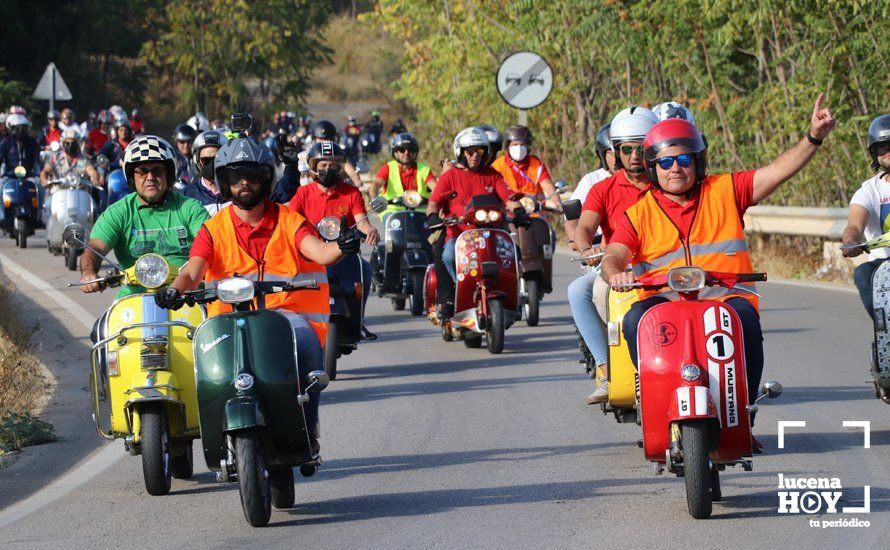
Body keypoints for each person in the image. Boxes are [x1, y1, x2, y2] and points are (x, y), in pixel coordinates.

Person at [601, 95, 836, 441]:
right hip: (664, 300)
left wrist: (813, 137)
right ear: (653, 169)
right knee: (636, 321)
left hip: (726, 297)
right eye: (665, 163)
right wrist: (615, 273)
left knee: (747, 324)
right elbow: (614, 255)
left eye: (684, 159)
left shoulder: (725, 190)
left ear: (698, 161)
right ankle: (655, 403)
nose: (675, 168)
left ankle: (744, 413)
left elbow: (776, 171)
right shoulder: (638, 213)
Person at [156, 135, 359, 454]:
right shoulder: (213, 228)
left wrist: (342, 247)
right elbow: (193, 269)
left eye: (252, 176)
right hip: (227, 321)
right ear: (225, 182)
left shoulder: (290, 220)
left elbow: (319, 251)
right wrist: (174, 290)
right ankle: (217, 436)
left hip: (287, 318)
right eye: (236, 177)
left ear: (266, 179)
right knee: (206, 375)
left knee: (309, 360)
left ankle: (307, 430)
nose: (244, 184)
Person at [568, 106, 658, 404]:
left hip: (662, 267)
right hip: (614, 268)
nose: (634, 156)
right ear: (615, 152)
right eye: (626, 149)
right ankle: (608, 371)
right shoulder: (603, 188)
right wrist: (587, 249)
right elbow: (584, 228)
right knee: (581, 291)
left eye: (640, 148)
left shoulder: (670, 182)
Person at [78, 135, 210, 297]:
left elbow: (209, 246)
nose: (150, 177)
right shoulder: (119, 212)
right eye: (141, 171)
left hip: (187, 299)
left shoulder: (190, 209)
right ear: (132, 177)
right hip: (132, 301)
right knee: (101, 323)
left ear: (168, 174)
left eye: (157, 171)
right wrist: (88, 272)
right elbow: (95, 248)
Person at [288, 140, 380, 340]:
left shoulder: (351, 193)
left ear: (340, 168)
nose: (327, 169)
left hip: (343, 253)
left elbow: (361, 221)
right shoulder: (303, 193)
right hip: (310, 255)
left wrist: (370, 229)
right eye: (322, 165)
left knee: (365, 270)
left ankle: (359, 322)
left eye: (332, 165)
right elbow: (289, 221)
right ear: (313, 168)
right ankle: (291, 325)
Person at [426, 127, 523, 285]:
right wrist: (432, 216)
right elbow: (433, 203)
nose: (475, 155)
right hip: (459, 236)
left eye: (479, 151)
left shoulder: (492, 174)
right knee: (449, 256)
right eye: (470, 151)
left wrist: (519, 210)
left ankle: (512, 292)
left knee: (513, 253)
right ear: (461, 152)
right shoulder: (449, 176)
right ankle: (460, 288)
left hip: (491, 233)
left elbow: (509, 197)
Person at [842, 114, 890, 317]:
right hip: (884, 266)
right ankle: (885, 327)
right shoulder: (869, 191)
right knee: (862, 273)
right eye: (882, 146)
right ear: (874, 153)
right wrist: (851, 241)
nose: (888, 151)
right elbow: (854, 225)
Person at [270, 119, 362, 203]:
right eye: (321, 139)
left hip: (336, 198)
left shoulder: (340, 156)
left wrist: (358, 184)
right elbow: (288, 187)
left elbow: (350, 172)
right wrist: (290, 166)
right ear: (314, 139)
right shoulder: (304, 156)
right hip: (309, 200)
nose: (324, 143)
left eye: (327, 139)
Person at [565, 123, 616, 245]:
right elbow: (571, 219)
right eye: (612, 153)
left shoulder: (645, 180)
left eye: (626, 150)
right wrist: (577, 240)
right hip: (598, 251)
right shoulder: (592, 180)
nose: (618, 157)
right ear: (602, 154)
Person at [370, 132, 437, 219]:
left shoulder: (424, 169)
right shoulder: (388, 168)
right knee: (393, 225)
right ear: (395, 152)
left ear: (415, 152)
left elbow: (436, 188)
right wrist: (374, 199)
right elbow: (375, 184)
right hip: (393, 212)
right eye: (402, 150)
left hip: (419, 212)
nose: (406, 153)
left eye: (410, 150)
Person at [491, 125, 561, 205]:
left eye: (522, 145)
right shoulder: (498, 165)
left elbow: (547, 185)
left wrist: (558, 203)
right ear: (508, 146)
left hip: (534, 212)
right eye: (515, 144)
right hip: (508, 212)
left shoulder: (537, 165)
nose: (519, 148)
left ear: (528, 146)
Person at [39, 129, 101, 207]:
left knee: (94, 208)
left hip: (80, 194)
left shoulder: (84, 159)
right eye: (67, 143)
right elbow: (46, 170)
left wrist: (95, 179)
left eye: (73, 143)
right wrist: (44, 179)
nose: (70, 145)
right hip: (58, 192)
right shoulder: (55, 158)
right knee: (47, 207)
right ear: (63, 144)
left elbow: (91, 170)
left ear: (78, 144)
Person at [181, 129, 229, 215]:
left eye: (216, 158)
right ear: (197, 161)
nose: (211, 164)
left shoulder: (236, 191)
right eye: (205, 160)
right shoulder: (186, 195)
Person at [172, 123, 197, 188]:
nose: (186, 145)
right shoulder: (171, 157)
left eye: (189, 142)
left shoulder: (198, 157)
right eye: (182, 142)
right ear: (176, 141)